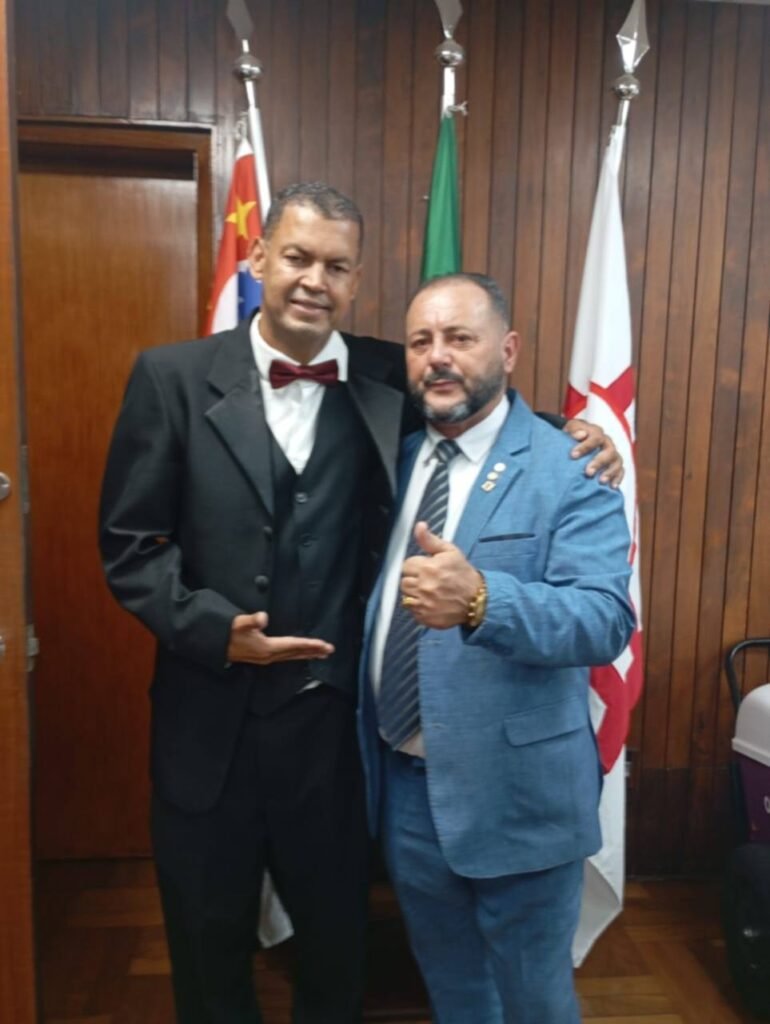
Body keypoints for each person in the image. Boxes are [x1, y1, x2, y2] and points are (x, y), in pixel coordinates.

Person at [99, 183, 624, 1024]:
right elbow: (129, 545)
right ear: (259, 258)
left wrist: (577, 432)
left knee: (337, 952)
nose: (315, 280)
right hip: (207, 730)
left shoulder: (386, 373)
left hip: (333, 742)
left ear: (355, 280)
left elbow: (483, 402)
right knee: (206, 945)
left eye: (337, 266)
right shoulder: (170, 378)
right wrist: (213, 630)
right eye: (298, 257)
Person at [358, 272, 635, 1024]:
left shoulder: (571, 466)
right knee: (454, 993)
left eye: (460, 338)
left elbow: (604, 619)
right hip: (407, 792)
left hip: (520, 796)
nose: (438, 357)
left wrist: (482, 600)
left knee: (534, 1001)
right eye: (421, 342)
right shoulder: (392, 458)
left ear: (507, 350)